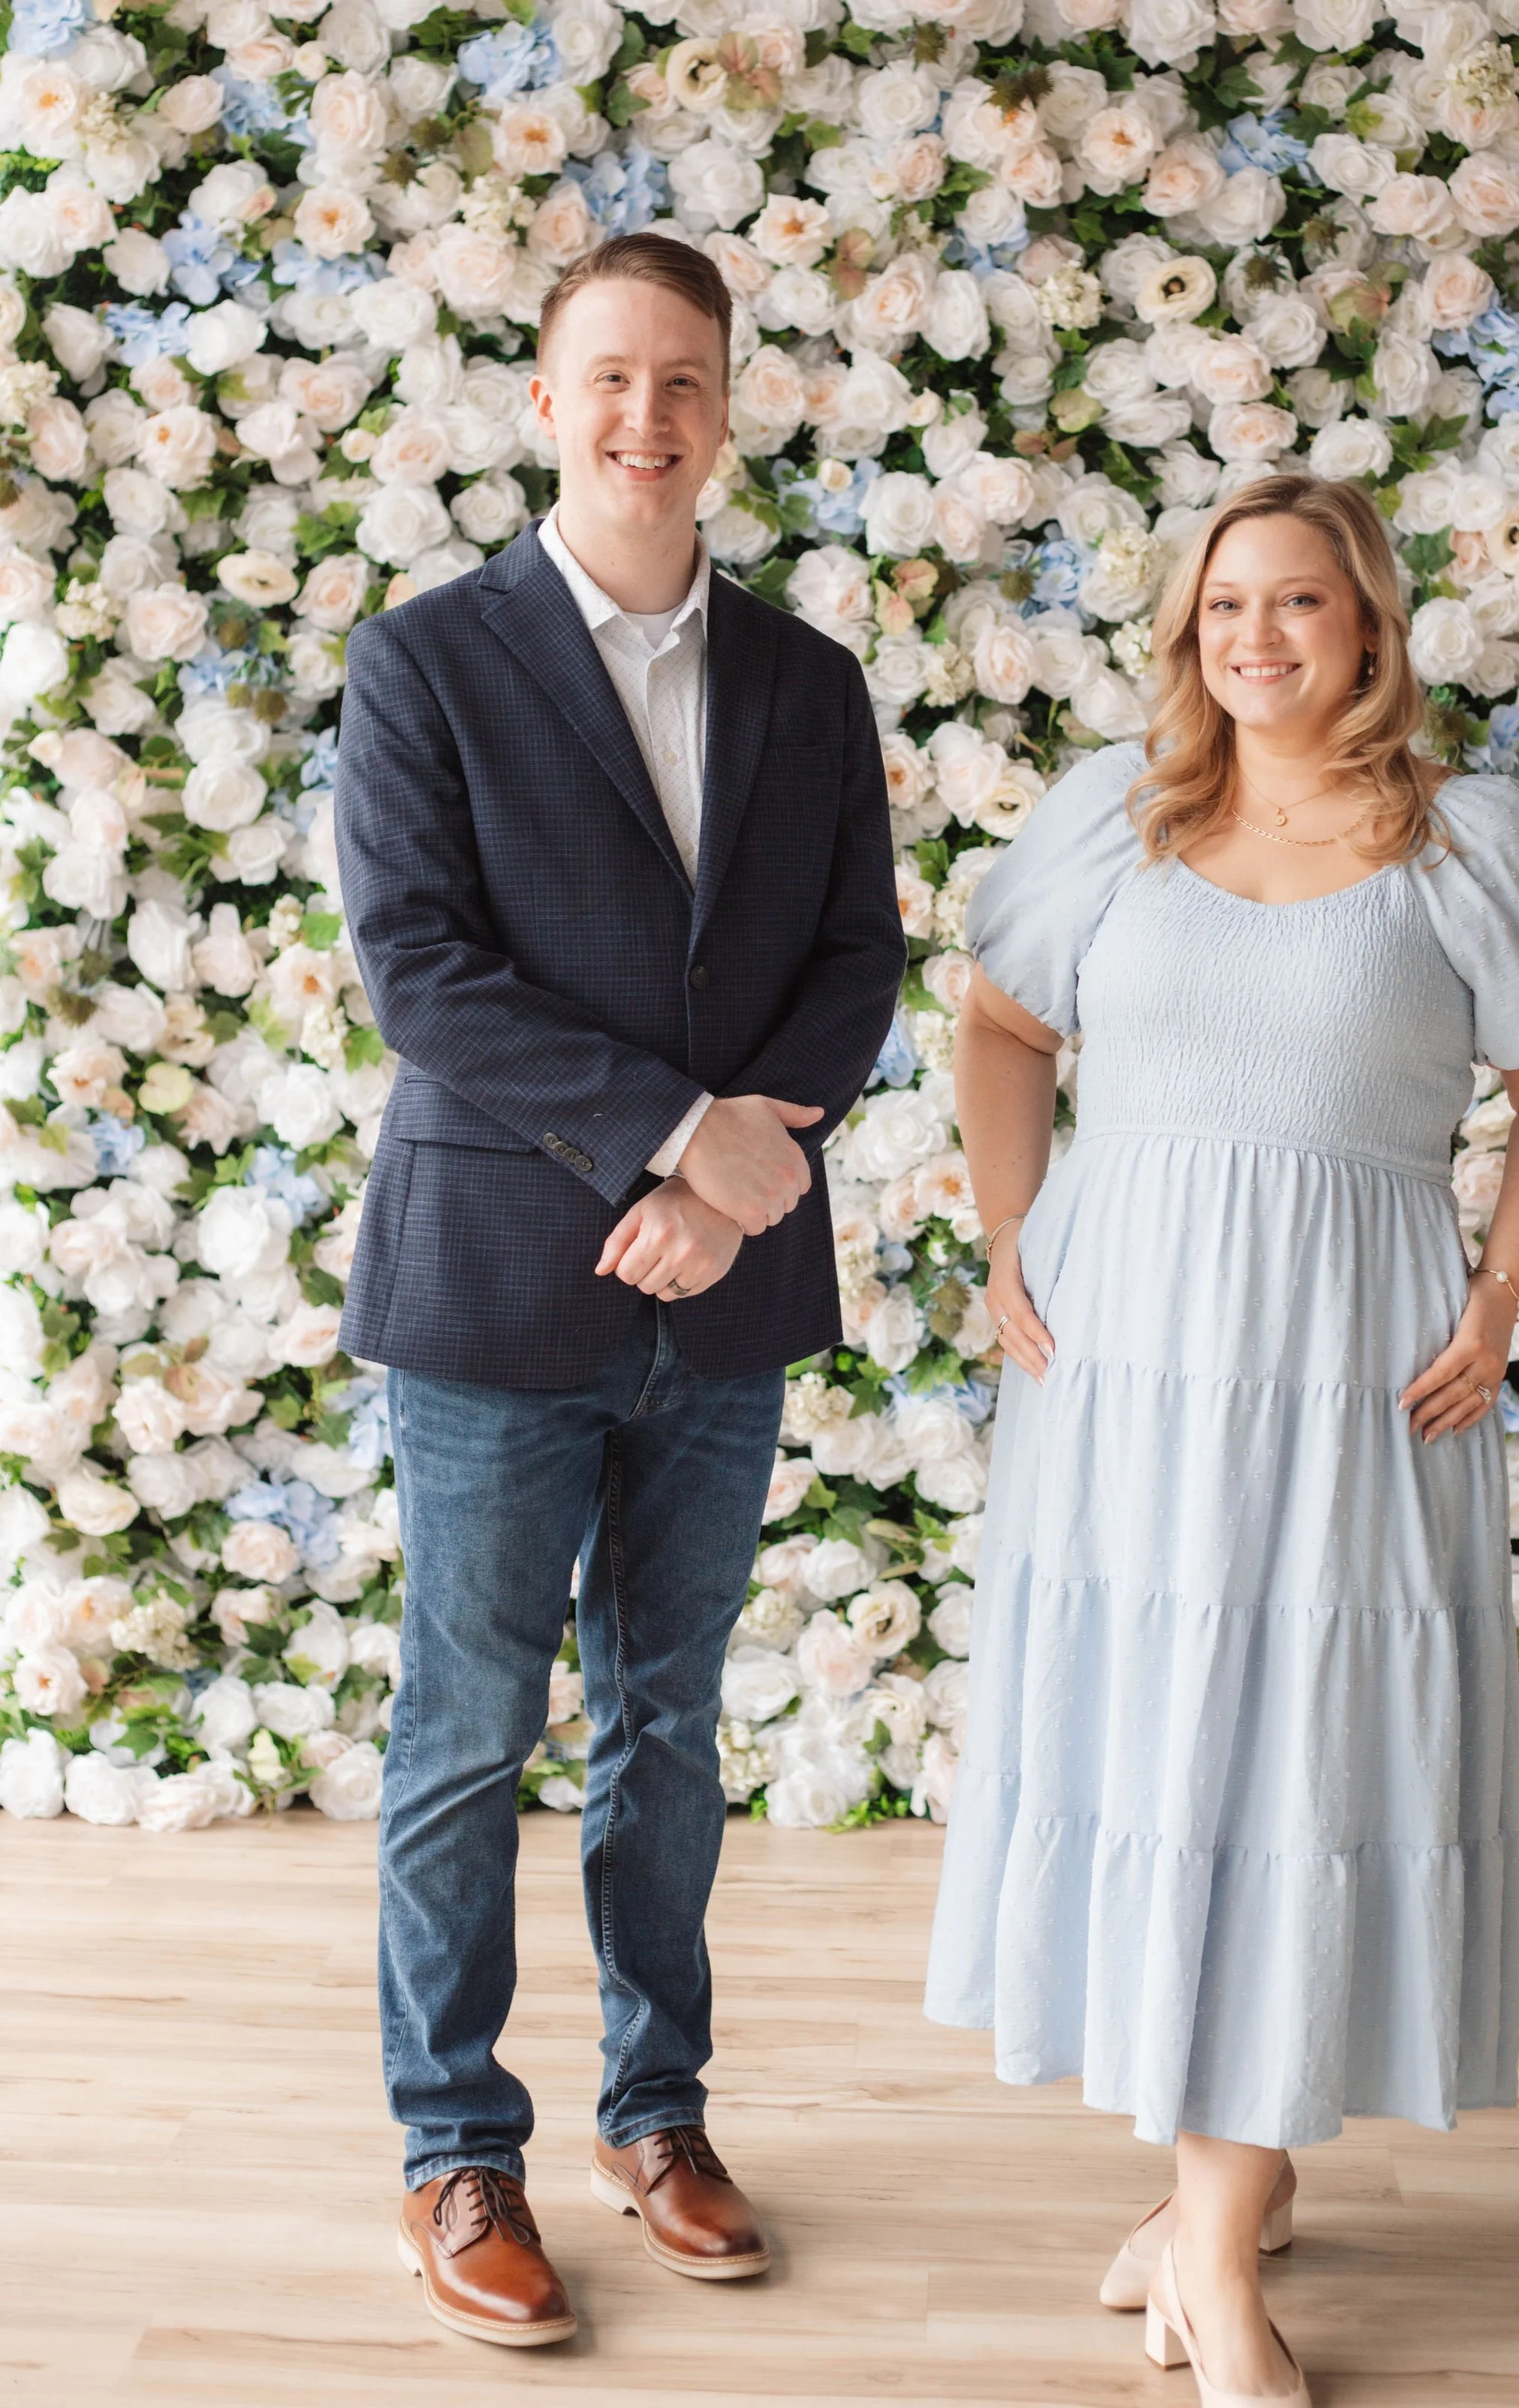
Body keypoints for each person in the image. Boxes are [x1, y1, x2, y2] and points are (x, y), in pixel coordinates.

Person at [924, 474, 1519, 2404]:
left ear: (1369, 626)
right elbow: (995, 1023)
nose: (1259, 635)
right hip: (1125, 1367)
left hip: (1347, 1366)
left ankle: (1213, 2252)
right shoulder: (1113, 820)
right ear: (1187, 631)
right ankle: (1223, 2194)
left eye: (1300, 600)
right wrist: (1007, 1235)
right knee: (1167, 1744)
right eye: (1227, 602)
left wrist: (1494, 1298)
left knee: (1293, 1755)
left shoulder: (1462, 839)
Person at [336, 233, 904, 2348]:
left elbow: (856, 961)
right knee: (469, 1725)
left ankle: (653, 2113)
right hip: (498, 1283)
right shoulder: (426, 662)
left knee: (670, 1723)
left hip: (725, 1294)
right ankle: (451, 2145)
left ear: (724, 409)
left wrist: (739, 1185)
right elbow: (421, 972)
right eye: (607, 377)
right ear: (544, 399)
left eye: (683, 381)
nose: (644, 416)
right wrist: (679, 1141)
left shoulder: (804, 679)